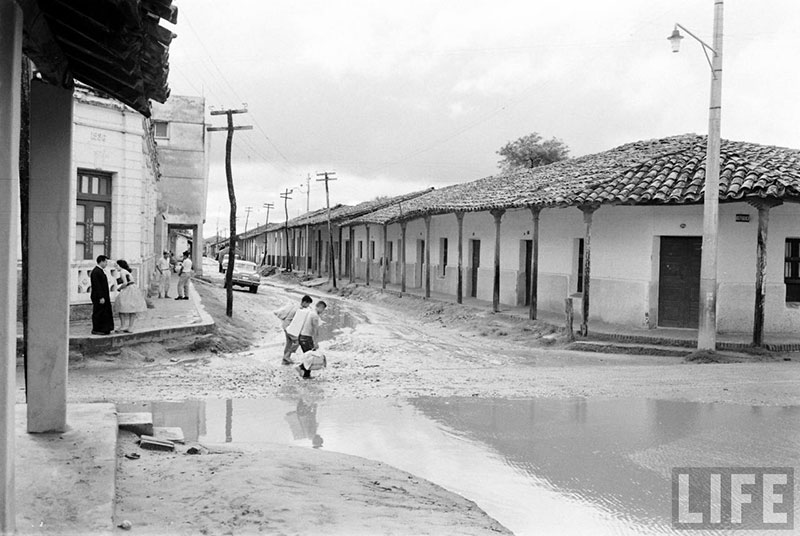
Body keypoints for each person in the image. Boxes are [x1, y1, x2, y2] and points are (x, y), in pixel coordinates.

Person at [274, 295, 312, 365]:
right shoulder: (300, 309)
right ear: (304, 302)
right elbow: (298, 321)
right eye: (308, 304)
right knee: (297, 342)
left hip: (285, 326)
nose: (308, 306)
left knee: (289, 343)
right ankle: (286, 356)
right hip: (289, 327)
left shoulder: (297, 306)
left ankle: (285, 360)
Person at [295, 300, 327, 379]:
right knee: (310, 357)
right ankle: (301, 369)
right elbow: (315, 331)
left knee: (308, 355)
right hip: (306, 338)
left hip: (302, 336)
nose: (323, 312)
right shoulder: (315, 316)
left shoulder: (309, 312)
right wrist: (316, 342)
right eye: (323, 309)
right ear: (320, 307)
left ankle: (305, 374)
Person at [114, 259, 148, 333]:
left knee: (121, 306)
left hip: (128, 289)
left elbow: (125, 283)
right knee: (132, 308)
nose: (116, 268)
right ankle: (130, 327)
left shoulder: (122, 272)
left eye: (117, 266)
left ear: (120, 265)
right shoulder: (126, 271)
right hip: (133, 289)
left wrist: (119, 288)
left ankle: (123, 325)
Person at [90, 255, 114, 335]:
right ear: (102, 261)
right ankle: (97, 329)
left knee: (104, 312)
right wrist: (101, 297)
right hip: (99, 296)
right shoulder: (96, 272)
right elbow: (97, 286)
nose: (106, 263)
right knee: (98, 312)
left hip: (104, 296)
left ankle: (105, 328)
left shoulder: (100, 271)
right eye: (106, 262)